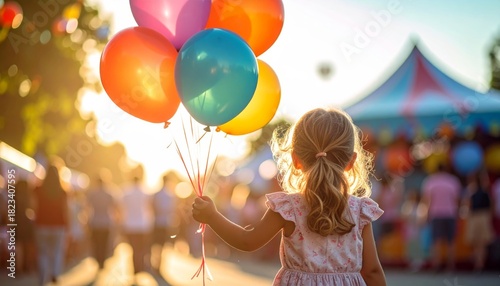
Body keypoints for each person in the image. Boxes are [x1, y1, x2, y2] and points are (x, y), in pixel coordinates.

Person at [192, 108, 386, 286]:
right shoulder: (360, 211)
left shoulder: (288, 208)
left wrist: (212, 217)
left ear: (295, 160)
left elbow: (247, 241)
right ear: (351, 161)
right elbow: (372, 272)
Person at [33, 163, 70, 285]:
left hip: (41, 224)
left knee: (42, 252)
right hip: (58, 225)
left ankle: (42, 277)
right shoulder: (63, 191)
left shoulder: (38, 189)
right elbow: (65, 209)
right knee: (57, 251)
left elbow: (33, 206)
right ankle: (54, 273)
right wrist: (68, 225)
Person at [421, 163, 461, 272]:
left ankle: (437, 265)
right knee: (451, 241)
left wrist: (426, 215)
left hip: (436, 214)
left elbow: (427, 200)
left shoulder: (430, 181)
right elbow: (457, 199)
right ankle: (451, 266)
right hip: (450, 213)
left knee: (436, 241)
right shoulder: (453, 181)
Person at [119, 175, 153, 275]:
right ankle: (141, 266)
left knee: (133, 248)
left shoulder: (127, 193)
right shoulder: (145, 193)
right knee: (141, 248)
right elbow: (149, 208)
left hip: (130, 225)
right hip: (142, 225)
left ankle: (135, 268)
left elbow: (122, 208)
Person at [86, 174, 118, 269]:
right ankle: (102, 260)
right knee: (104, 243)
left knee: (96, 243)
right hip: (106, 222)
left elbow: (87, 208)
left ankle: (98, 259)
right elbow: (115, 208)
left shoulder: (92, 193)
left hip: (95, 222)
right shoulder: (109, 194)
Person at [464, 172, 493, 272]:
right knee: (479, 242)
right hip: (481, 216)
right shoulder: (479, 190)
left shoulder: (475, 190)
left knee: (479, 242)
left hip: (478, 216)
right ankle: (479, 263)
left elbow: (468, 204)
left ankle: (479, 263)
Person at [150, 174, 178, 272]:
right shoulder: (170, 195)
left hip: (157, 222)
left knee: (156, 244)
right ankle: (160, 263)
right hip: (166, 223)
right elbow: (173, 209)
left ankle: (156, 262)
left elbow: (152, 207)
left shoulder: (156, 194)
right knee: (162, 244)